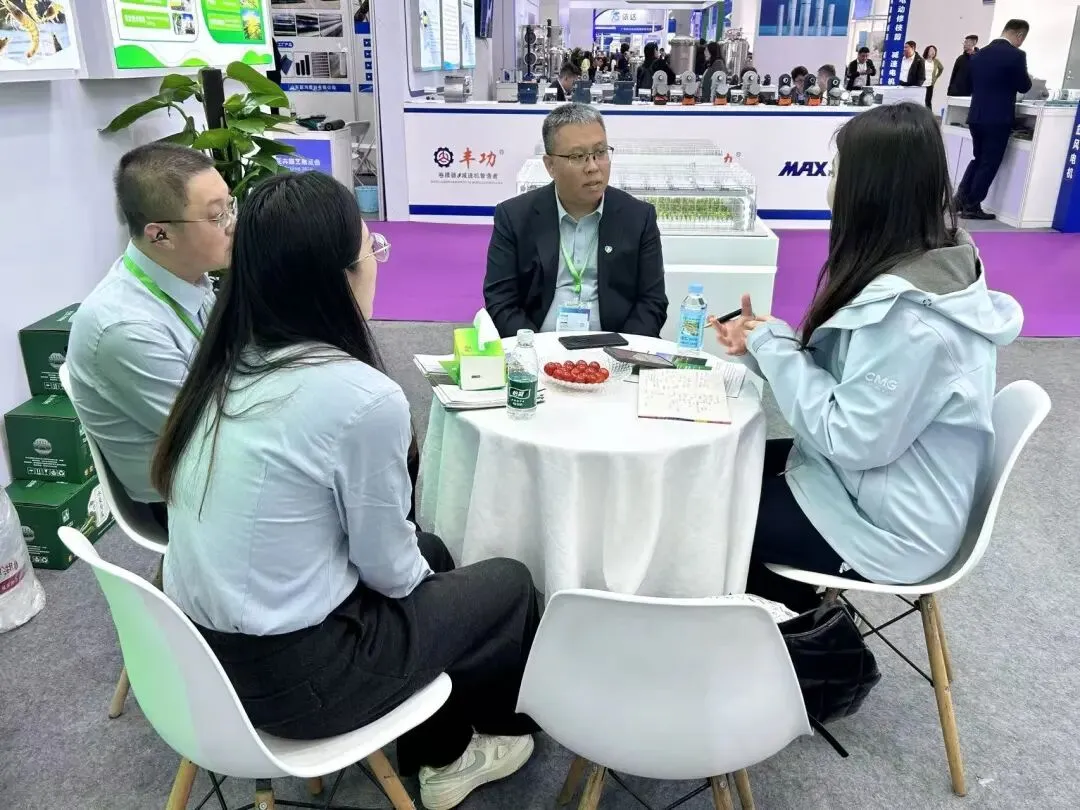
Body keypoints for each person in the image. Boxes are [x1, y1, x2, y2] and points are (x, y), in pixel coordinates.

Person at [155, 171, 541, 810]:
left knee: (434, 552)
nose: (377, 263)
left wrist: (427, 575)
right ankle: (468, 750)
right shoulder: (361, 397)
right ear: (338, 277)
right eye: (373, 250)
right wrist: (428, 586)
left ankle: (441, 743)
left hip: (201, 661)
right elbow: (390, 572)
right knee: (509, 583)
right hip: (299, 684)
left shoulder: (226, 362)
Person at [710, 102, 1021, 612]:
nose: (828, 187)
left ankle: (789, 639)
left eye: (835, 173)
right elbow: (850, 387)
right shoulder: (921, 265)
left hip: (885, 527)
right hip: (867, 486)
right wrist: (768, 346)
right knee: (719, 464)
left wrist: (773, 345)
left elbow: (848, 436)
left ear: (870, 191)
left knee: (708, 512)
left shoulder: (912, 321)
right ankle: (782, 621)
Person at [66, 144, 228, 528]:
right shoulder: (123, 328)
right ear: (160, 235)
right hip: (185, 501)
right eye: (217, 216)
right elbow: (215, 435)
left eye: (230, 206)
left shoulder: (183, 276)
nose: (231, 225)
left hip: (216, 467)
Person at [483, 103, 668, 338]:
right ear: (550, 166)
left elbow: (652, 303)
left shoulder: (639, 217)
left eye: (600, 152)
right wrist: (534, 350)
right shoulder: (514, 216)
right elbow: (501, 301)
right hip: (538, 346)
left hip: (614, 347)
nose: (593, 167)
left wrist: (620, 351)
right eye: (578, 157)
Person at [956, 19, 1031, 221]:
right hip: (998, 118)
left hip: (976, 115)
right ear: (1019, 35)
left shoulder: (979, 54)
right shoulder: (1016, 55)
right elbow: (1024, 86)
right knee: (989, 163)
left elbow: (970, 84)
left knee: (978, 158)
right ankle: (972, 205)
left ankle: (960, 199)